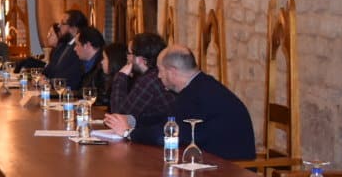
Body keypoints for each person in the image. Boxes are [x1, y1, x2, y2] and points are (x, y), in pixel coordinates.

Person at [105, 45, 256, 160]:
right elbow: (169, 119)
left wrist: (128, 132)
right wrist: (132, 121)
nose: (158, 76)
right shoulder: (198, 85)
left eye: (160, 70)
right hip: (210, 163)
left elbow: (168, 135)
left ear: (172, 71)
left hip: (229, 174)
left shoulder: (199, 94)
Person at [108, 32, 175, 121]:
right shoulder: (156, 74)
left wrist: (121, 77)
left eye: (129, 53)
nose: (127, 57)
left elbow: (119, 116)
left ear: (140, 59)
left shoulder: (148, 80)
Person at [44, 9, 87, 79]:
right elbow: (50, 69)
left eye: (62, 23)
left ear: (73, 28)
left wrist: (50, 83)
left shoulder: (79, 49)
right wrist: (42, 77)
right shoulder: (62, 45)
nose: (59, 26)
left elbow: (70, 77)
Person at [99, 42, 128, 106]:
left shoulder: (124, 81)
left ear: (113, 61)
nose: (101, 62)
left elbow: (116, 109)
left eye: (104, 58)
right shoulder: (109, 77)